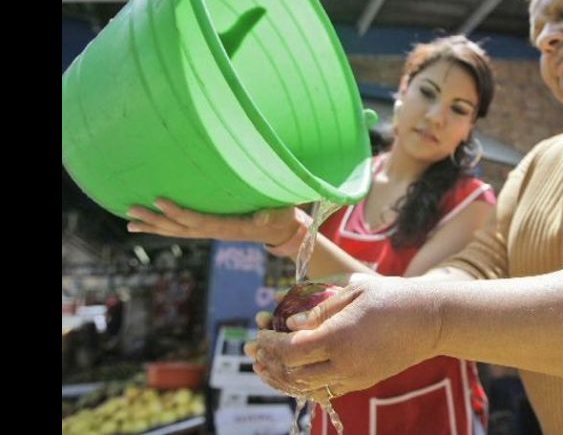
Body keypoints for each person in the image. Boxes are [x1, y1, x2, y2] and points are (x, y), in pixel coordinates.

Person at [247, 0, 563, 433]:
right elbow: (475, 269)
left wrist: (430, 319)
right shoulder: (539, 164)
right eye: (539, 38)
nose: (548, 40)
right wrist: (378, 308)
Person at [127, 35, 499, 434]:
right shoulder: (345, 178)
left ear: (469, 128)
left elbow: (409, 315)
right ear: (403, 89)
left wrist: (293, 234)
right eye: (427, 92)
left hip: (427, 411)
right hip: (337, 399)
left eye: (459, 109)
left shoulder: (471, 202)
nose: (437, 116)